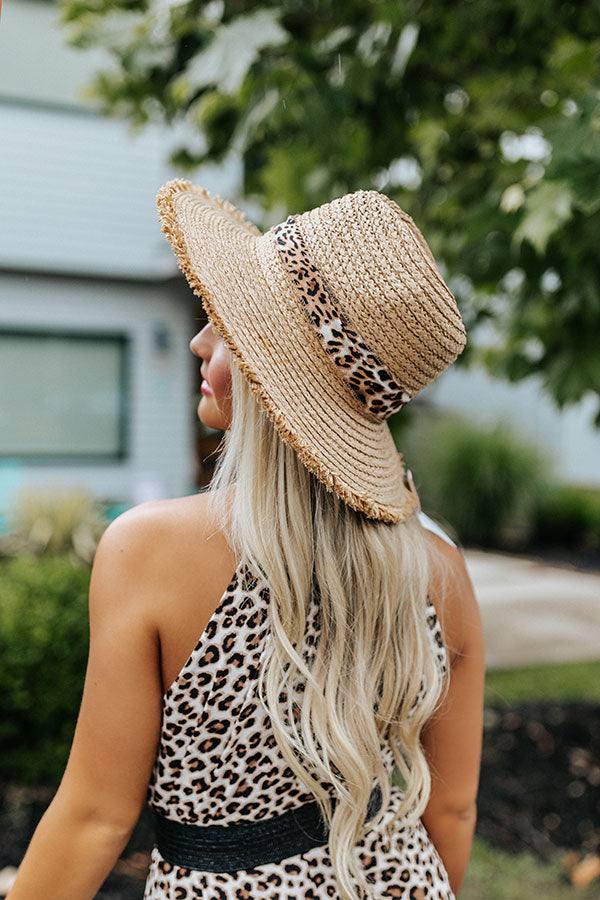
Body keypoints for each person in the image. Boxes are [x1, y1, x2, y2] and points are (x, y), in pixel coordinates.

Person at [8, 182, 484, 900]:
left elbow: (95, 817)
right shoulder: (439, 570)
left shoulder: (148, 550)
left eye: (225, 325)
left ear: (270, 374)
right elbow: (450, 808)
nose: (199, 340)